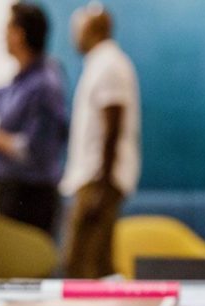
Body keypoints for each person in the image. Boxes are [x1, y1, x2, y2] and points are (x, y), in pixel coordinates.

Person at [61, 4, 140, 278]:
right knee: (93, 262)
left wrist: (102, 185)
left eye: (78, 30)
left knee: (83, 263)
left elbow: (112, 126)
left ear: (93, 30)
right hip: (94, 177)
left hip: (98, 179)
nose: (74, 37)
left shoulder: (109, 65)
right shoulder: (98, 64)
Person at [0, 3, 68, 236]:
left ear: (19, 34)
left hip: (31, 198)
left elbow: (31, 149)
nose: (3, 36)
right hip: (12, 192)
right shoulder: (21, 81)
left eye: (8, 28)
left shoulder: (44, 85)